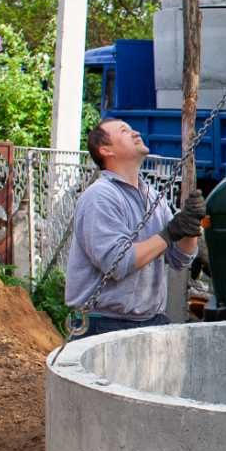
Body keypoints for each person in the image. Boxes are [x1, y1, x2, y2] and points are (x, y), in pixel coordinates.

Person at [64, 118, 204, 338]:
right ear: (105, 150)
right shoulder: (100, 197)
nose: (135, 132)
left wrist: (191, 227)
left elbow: (180, 259)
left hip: (151, 321)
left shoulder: (152, 195)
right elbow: (117, 263)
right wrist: (169, 233)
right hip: (104, 325)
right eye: (124, 131)